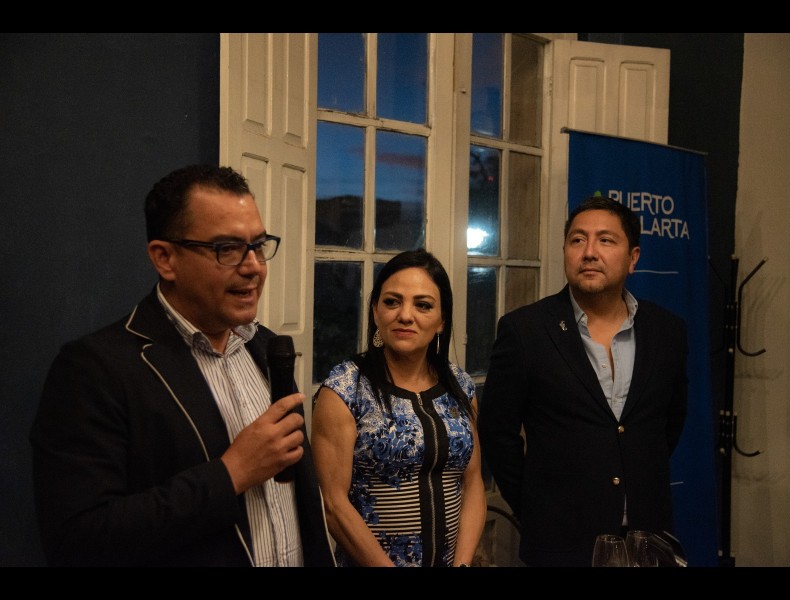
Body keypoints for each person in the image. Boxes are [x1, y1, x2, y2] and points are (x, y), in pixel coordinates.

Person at [29, 164, 335, 567]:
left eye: (258, 245)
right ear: (165, 259)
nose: (253, 266)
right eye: (227, 248)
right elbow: (78, 540)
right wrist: (231, 474)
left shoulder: (264, 346)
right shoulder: (94, 370)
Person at [478, 196, 688, 567]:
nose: (589, 252)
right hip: (560, 542)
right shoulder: (526, 330)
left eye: (606, 240)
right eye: (577, 240)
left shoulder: (667, 331)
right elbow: (497, 433)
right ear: (565, 251)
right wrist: (535, 506)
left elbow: (667, 425)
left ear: (633, 258)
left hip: (648, 539)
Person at [311, 248, 486, 567]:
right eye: (392, 302)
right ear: (375, 312)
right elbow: (332, 504)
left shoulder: (460, 386)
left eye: (423, 305)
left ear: (441, 320)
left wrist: (461, 564)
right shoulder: (345, 390)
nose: (405, 315)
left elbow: (473, 484)